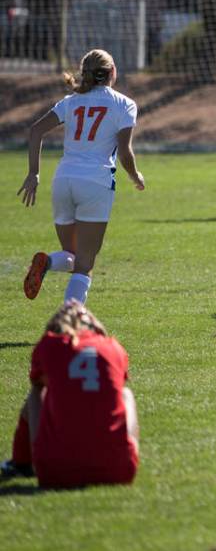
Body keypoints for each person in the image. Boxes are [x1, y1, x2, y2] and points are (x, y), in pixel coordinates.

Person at [18, 49, 145, 305]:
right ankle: (70, 321)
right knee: (84, 264)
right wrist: (135, 176)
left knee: (72, 255)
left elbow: (35, 131)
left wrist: (34, 173)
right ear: (112, 73)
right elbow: (124, 151)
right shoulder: (124, 103)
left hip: (63, 180)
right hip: (96, 183)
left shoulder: (71, 101)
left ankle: (48, 262)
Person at [1, 300, 139, 488]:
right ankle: (122, 450)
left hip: (54, 471)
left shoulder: (48, 344)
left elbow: (37, 384)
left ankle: (22, 462)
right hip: (119, 470)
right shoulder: (113, 346)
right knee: (125, 394)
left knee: (37, 391)